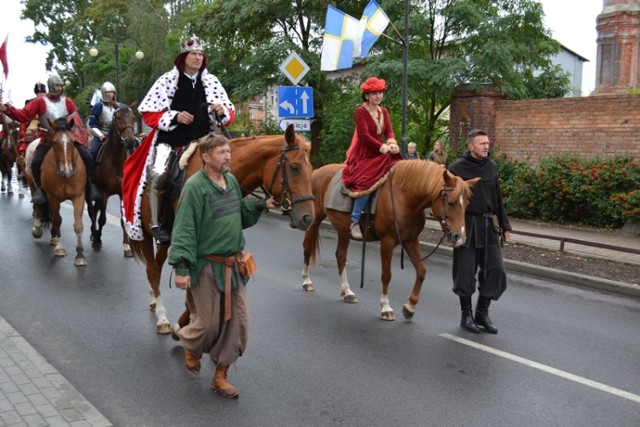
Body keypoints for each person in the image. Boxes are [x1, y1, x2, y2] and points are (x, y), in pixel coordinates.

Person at [168, 133, 276, 399]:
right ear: (205, 157)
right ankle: (190, 346)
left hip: (233, 267)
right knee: (206, 325)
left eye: (229, 152)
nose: (228, 157)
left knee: (238, 324)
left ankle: (220, 376)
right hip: (205, 266)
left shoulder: (231, 181)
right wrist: (181, 267)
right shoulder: (195, 187)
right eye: (221, 153)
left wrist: (262, 204)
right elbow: (184, 228)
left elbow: (237, 212)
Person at [129, 34, 235, 245]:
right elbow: (149, 113)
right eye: (193, 54)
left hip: (204, 141)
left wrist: (221, 110)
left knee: (229, 169)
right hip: (172, 140)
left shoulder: (211, 81)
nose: (198, 58)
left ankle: (230, 219)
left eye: (200, 55)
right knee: (159, 174)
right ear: (183, 57)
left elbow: (229, 114)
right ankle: (158, 224)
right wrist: (174, 116)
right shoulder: (167, 80)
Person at [0, 74, 101, 204]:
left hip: (65, 137)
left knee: (87, 156)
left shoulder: (67, 101)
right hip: (47, 137)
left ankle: (91, 185)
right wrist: (8, 109)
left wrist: (80, 137)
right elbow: (23, 115)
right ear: (51, 86)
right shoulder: (40, 102)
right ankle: (40, 190)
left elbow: (75, 120)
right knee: (36, 162)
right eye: (57, 86)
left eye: (61, 86)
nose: (59, 88)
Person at [448, 129, 512, 334]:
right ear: (470, 146)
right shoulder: (456, 168)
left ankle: (482, 312)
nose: (486, 146)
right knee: (465, 272)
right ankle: (466, 315)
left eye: (487, 142)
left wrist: (505, 226)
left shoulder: (491, 167)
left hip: (488, 226)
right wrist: (451, 228)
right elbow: (447, 202)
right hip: (466, 225)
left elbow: (497, 199)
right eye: (482, 143)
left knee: (496, 270)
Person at [342, 76, 403, 240]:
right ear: (367, 95)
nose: (378, 96)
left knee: (401, 169)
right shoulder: (360, 111)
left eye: (380, 92)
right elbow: (364, 135)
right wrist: (381, 146)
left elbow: (389, 131)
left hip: (382, 151)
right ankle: (354, 220)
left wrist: (392, 142)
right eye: (374, 93)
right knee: (366, 180)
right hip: (364, 153)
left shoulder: (384, 111)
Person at [88, 82, 117, 160]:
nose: (110, 94)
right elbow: (92, 125)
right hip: (101, 134)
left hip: (115, 135)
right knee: (92, 152)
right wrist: (100, 135)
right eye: (107, 92)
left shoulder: (118, 106)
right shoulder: (98, 106)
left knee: (132, 148)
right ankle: (91, 171)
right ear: (103, 93)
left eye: (112, 92)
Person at [17, 82, 47, 156]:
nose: (41, 94)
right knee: (28, 134)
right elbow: (25, 116)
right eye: (39, 93)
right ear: (36, 94)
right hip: (33, 124)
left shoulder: (50, 102)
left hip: (47, 125)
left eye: (42, 92)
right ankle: (22, 157)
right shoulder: (30, 102)